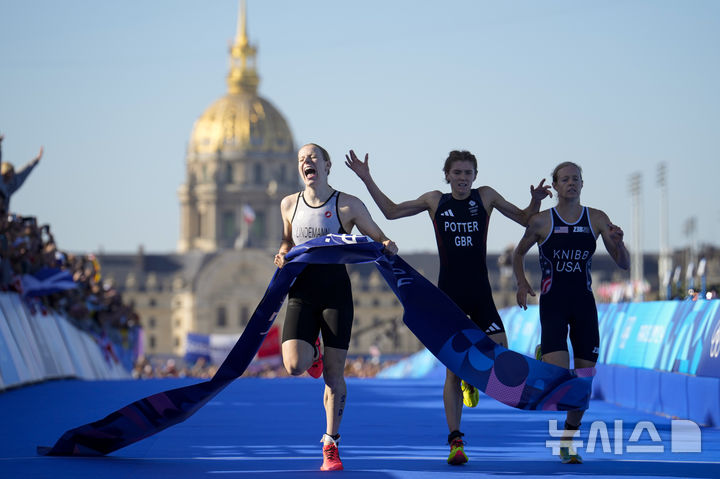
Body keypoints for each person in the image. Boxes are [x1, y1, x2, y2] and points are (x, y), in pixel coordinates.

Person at [345, 149, 550, 465]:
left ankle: (484, 376)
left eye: (468, 173)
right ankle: (456, 441)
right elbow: (390, 211)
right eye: (457, 173)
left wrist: (535, 200)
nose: (463, 179)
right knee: (452, 373)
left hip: (480, 295)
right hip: (449, 298)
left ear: (475, 177)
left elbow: (526, 219)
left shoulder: (486, 197)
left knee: (502, 361)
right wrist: (366, 177)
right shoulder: (434, 201)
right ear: (447, 176)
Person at [274, 143, 397, 472]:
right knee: (294, 366)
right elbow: (287, 240)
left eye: (313, 157)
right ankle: (312, 351)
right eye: (301, 159)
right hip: (301, 291)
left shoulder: (347, 205)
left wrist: (387, 245)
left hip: (336, 294)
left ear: (327, 165)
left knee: (334, 374)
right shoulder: (289, 205)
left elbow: (377, 237)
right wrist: (283, 251)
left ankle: (331, 443)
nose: (307, 162)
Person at [512, 161, 630, 464]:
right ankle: (545, 354)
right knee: (559, 378)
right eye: (565, 179)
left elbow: (624, 263)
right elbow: (518, 252)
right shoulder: (541, 222)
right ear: (556, 186)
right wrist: (522, 282)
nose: (572, 183)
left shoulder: (597, 218)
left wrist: (619, 244)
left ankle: (567, 440)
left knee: (584, 381)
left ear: (581, 183)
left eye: (576, 179)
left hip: (584, 306)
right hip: (553, 304)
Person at [0, 133, 44, 214]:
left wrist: (36, 160)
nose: (11, 176)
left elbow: (24, 173)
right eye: (10, 173)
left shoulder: (11, 185)